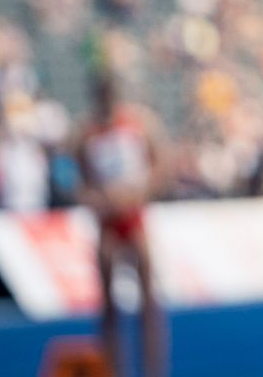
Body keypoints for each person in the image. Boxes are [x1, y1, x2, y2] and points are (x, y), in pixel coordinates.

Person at [76, 70, 167, 377]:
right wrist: (95, 199)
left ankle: (153, 369)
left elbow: (160, 166)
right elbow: (77, 180)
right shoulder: (88, 134)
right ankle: (113, 369)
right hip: (108, 220)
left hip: (133, 214)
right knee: (109, 305)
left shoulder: (138, 126)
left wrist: (140, 194)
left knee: (148, 299)